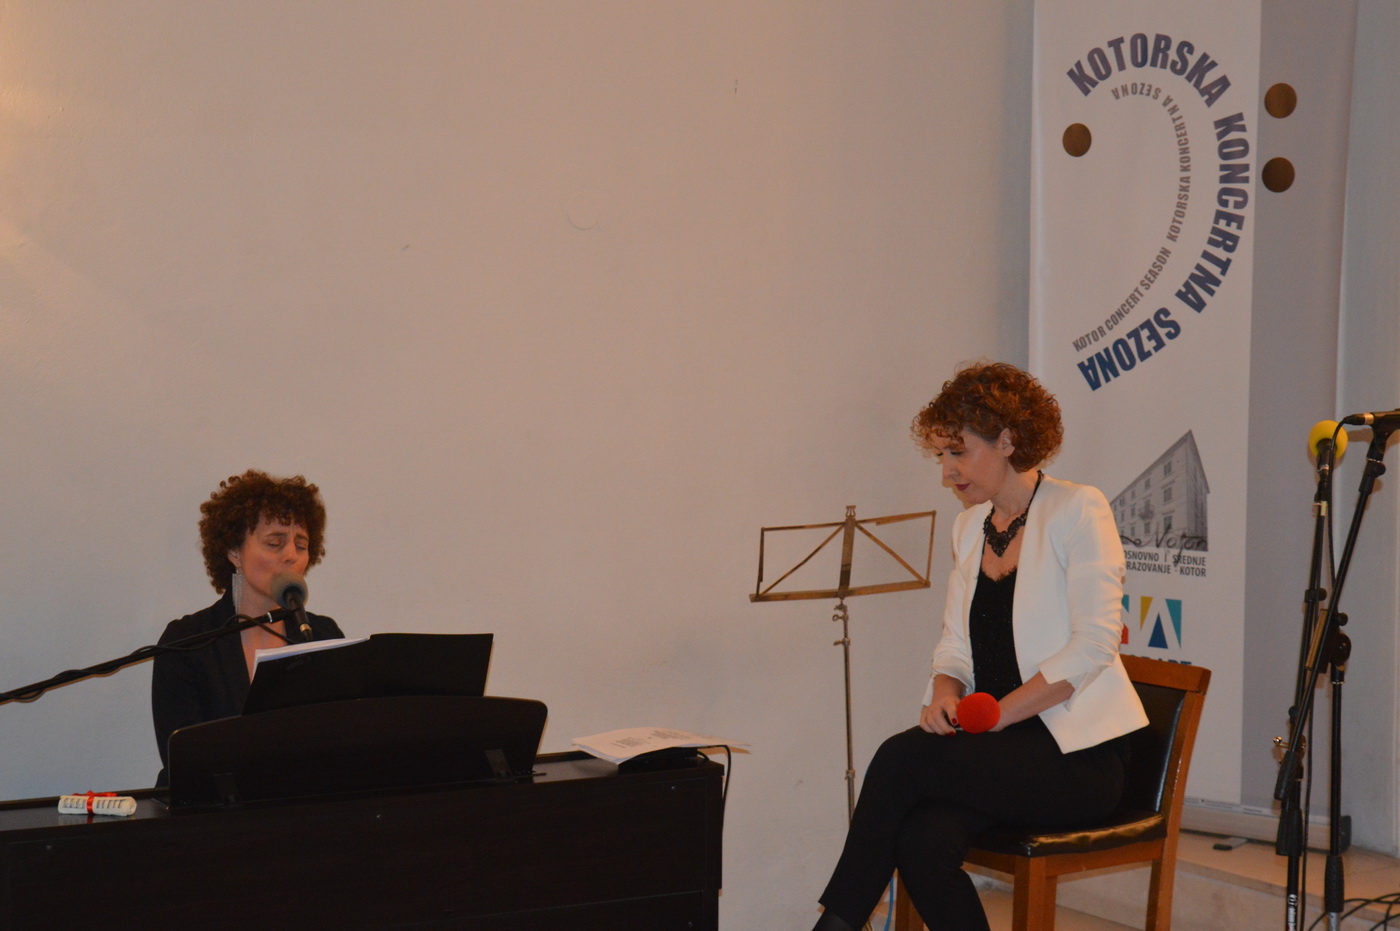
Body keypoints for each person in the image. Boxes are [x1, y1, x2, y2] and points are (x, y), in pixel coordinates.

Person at [812, 361, 1148, 930]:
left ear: (1007, 441)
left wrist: (997, 715)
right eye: (940, 455)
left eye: (958, 452)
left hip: (1076, 757)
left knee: (899, 757)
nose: (947, 472)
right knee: (922, 840)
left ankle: (834, 925)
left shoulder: (1077, 508)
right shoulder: (969, 528)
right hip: (998, 751)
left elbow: (1093, 645)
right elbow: (955, 646)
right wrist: (945, 692)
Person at [150, 469, 344, 786]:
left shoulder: (322, 634)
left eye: (301, 544)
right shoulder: (188, 642)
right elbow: (183, 762)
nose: (291, 556)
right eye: (274, 542)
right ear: (234, 551)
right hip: (213, 812)